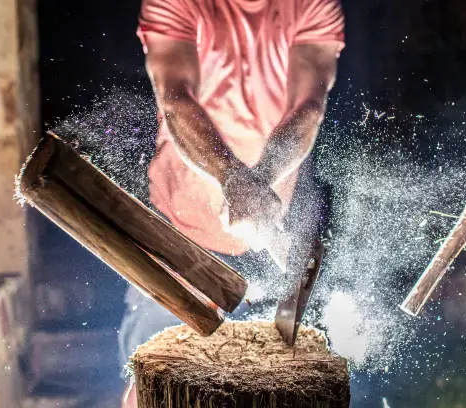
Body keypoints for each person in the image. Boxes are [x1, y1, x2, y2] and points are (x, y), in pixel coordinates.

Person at [120, 0, 345, 405]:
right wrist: (233, 179)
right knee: (156, 376)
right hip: (176, 225)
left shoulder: (313, 6)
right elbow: (175, 99)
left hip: (266, 221)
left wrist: (258, 183)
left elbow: (309, 107)